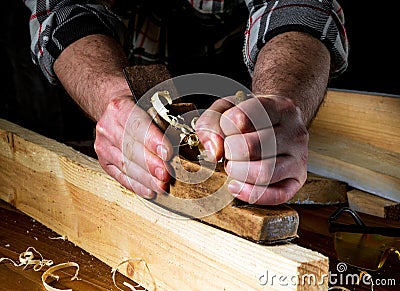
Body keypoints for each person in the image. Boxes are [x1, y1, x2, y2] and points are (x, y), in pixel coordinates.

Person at [24, 0, 348, 205]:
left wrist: (280, 99)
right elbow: (61, 8)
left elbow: (301, 6)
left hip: (243, 70)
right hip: (102, 74)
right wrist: (111, 97)